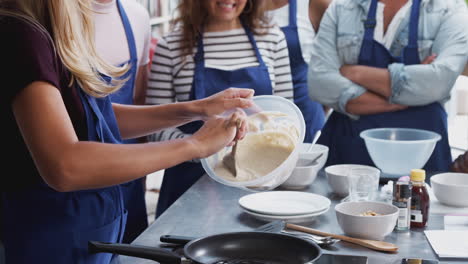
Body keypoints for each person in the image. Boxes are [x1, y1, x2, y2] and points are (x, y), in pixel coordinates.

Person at [0, 0, 254, 263]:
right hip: (54, 237)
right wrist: (195, 144)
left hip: (91, 230)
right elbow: (64, 165)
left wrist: (195, 109)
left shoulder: (46, 31)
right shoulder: (20, 35)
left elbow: (98, 119)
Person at [145, 0, 296, 218]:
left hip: (260, 183)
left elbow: (285, 118)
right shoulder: (171, 45)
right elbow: (153, 128)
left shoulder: (273, 39)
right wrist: (203, 150)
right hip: (188, 183)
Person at [308, 0, 468, 173]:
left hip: (421, 156)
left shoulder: (449, 10)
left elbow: (437, 83)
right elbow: (320, 83)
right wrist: (408, 94)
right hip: (348, 152)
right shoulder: (342, 7)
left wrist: (355, 73)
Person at [93, 0, 151, 243]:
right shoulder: (50, 20)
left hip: (127, 177)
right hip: (72, 190)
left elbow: (139, 98)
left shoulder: (137, 16)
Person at [265, 0, 332, 142]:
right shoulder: (239, 7)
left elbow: (331, 66)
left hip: (305, 115)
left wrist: (323, 108)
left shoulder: (314, 4)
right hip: (256, 117)